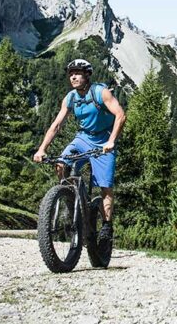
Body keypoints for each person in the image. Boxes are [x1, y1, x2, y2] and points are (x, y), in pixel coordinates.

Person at [34, 58, 126, 250]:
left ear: (87, 75)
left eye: (77, 73)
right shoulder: (70, 98)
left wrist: (111, 141)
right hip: (83, 138)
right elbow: (56, 125)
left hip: (103, 141)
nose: (73, 76)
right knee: (60, 164)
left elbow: (120, 115)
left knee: (105, 187)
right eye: (71, 74)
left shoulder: (100, 92)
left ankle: (107, 227)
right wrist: (42, 149)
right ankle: (68, 197)